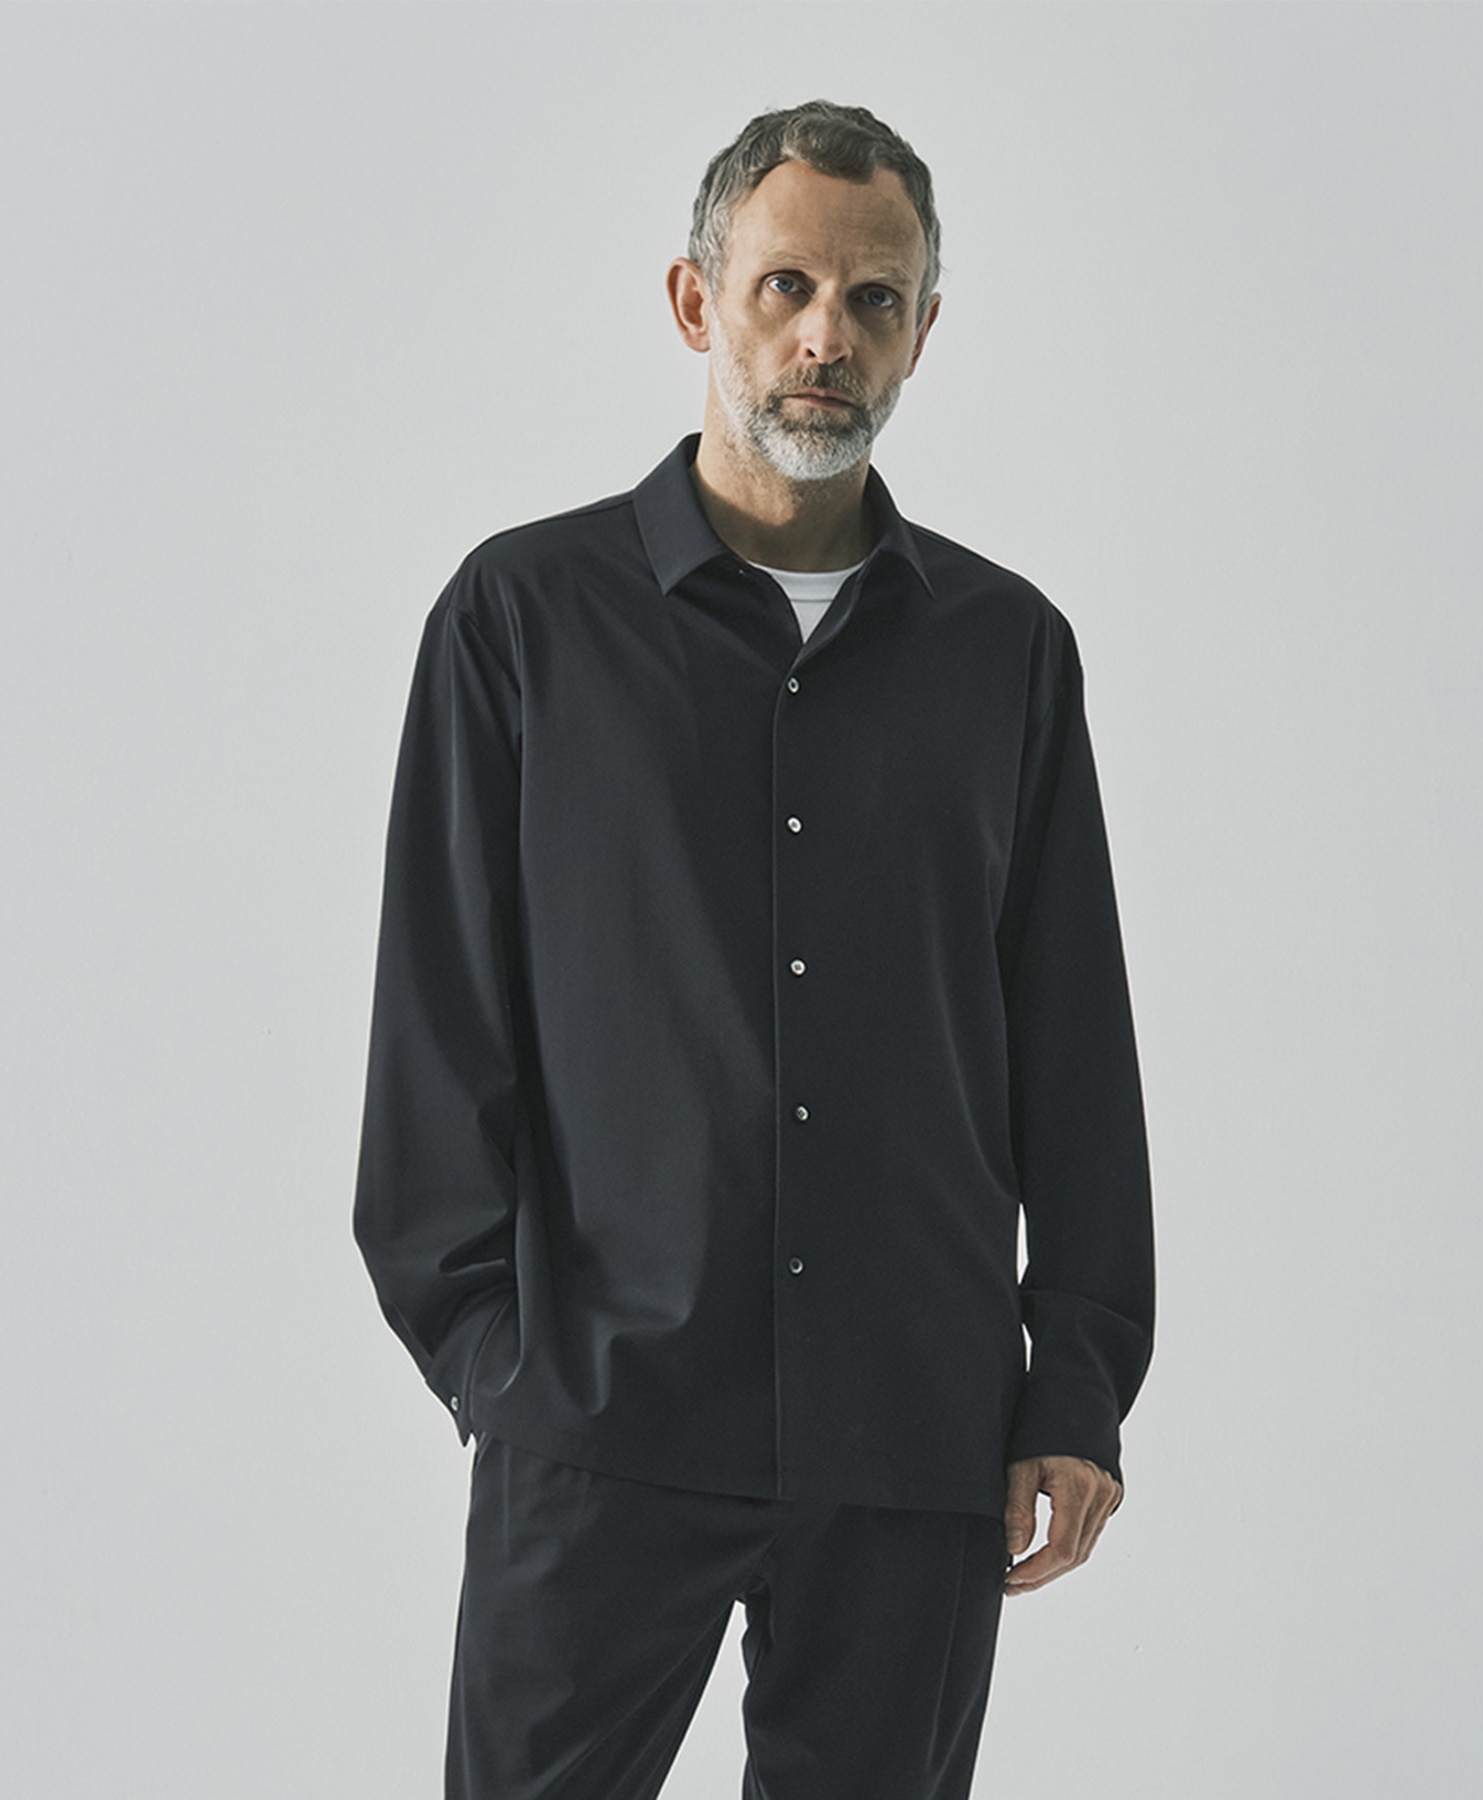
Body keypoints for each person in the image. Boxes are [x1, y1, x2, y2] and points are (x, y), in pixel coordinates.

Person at [354, 98, 1154, 1800]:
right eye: (787, 285)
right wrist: (500, 1366)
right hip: (603, 1421)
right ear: (695, 300)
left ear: (923, 333)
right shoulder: (523, 622)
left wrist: (1074, 1386)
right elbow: (441, 1028)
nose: (825, 337)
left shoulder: (1007, 653)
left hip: (913, 1431)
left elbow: (1073, 1044)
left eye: (875, 301)